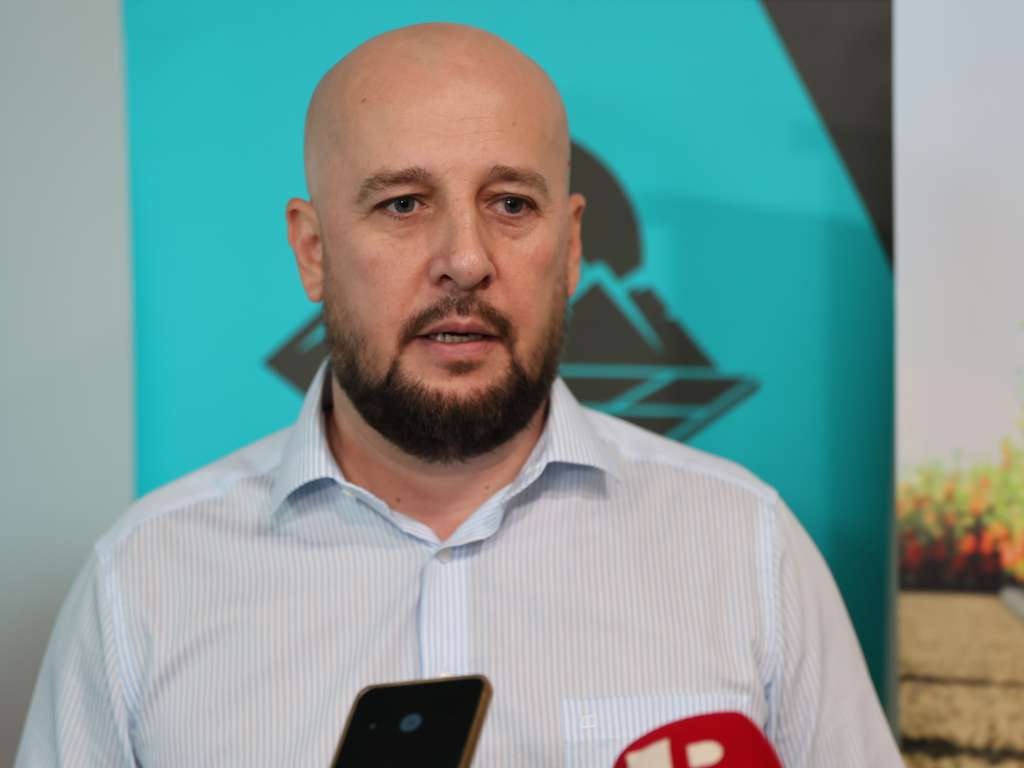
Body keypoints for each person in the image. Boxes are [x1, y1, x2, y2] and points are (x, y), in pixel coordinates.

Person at [16, 22, 904, 767]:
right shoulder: (143, 584)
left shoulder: (746, 551)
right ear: (313, 251)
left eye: (511, 204)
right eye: (403, 204)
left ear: (571, 247)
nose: (467, 260)